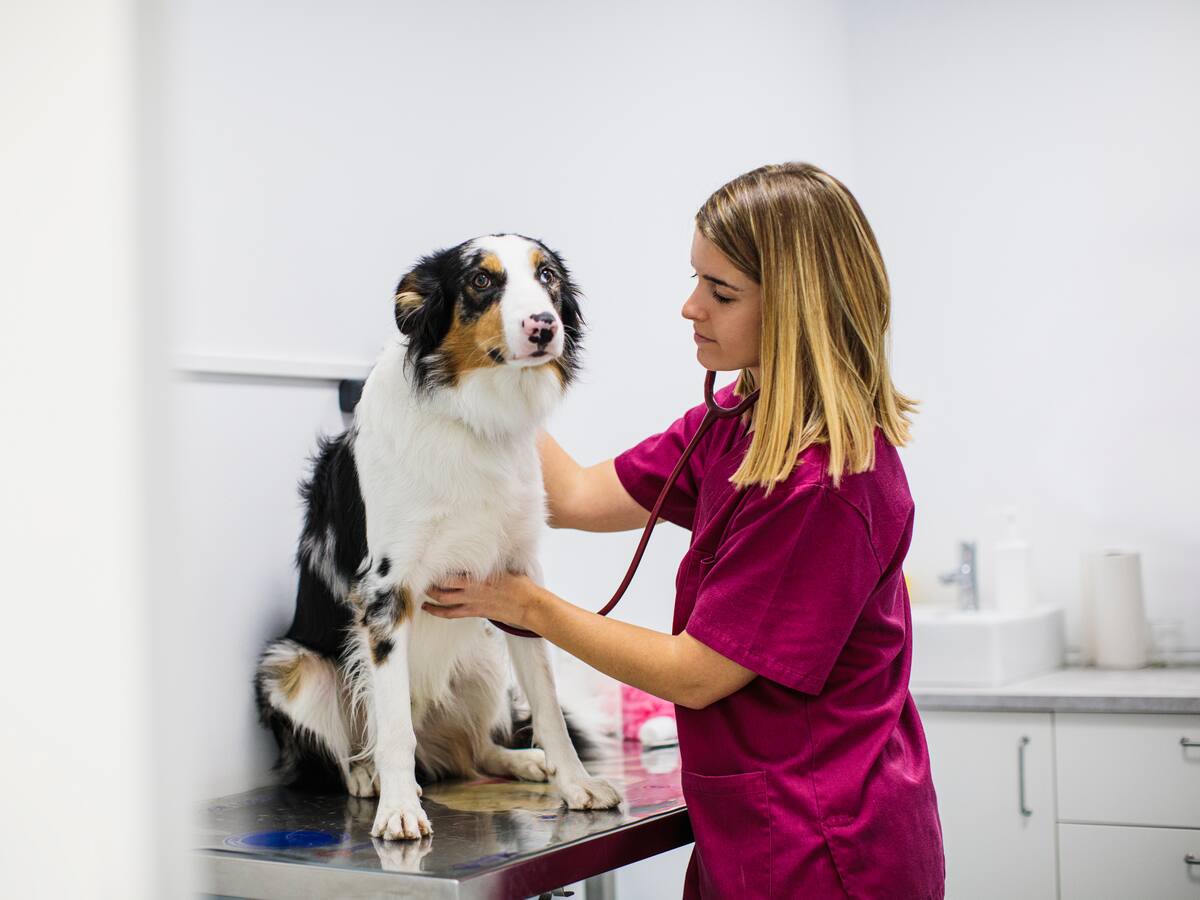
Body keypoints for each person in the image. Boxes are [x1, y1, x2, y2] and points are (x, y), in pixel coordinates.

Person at [425, 162, 946, 899]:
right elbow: (572, 495)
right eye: (696, 278)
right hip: (751, 828)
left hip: (826, 847)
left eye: (720, 291)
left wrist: (524, 603)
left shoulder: (824, 483)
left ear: (798, 308)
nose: (689, 307)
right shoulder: (735, 423)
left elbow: (696, 675)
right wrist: (483, 368)